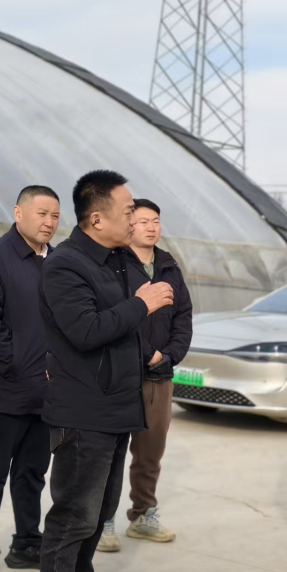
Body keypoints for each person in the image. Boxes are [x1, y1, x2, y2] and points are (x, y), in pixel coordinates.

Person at [38, 170, 174, 572]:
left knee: (96, 516)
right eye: (129, 211)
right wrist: (141, 304)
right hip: (83, 414)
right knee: (73, 518)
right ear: (97, 219)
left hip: (116, 409)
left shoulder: (115, 261)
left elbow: (122, 330)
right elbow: (85, 330)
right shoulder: (66, 265)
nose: (135, 220)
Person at [0, 186, 61, 572]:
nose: (49, 222)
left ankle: (26, 544)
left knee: (32, 474)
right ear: (18, 213)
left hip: (48, 393)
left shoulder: (58, 261)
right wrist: (20, 365)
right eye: (41, 213)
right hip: (7, 390)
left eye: (55, 216)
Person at [96, 198, 192, 552]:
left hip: (158, 376)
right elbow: (114, 317)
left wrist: (169, 356)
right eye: (142, 221)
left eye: (156, 221)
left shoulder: (168, 266)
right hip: (121, 374)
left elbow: (183, 317)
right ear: (129, 225)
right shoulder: (114, 264)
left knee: (151, 451)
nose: (151, 227)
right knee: (111, 451)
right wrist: (145, 353)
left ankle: (142, 515)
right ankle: (103, 521)